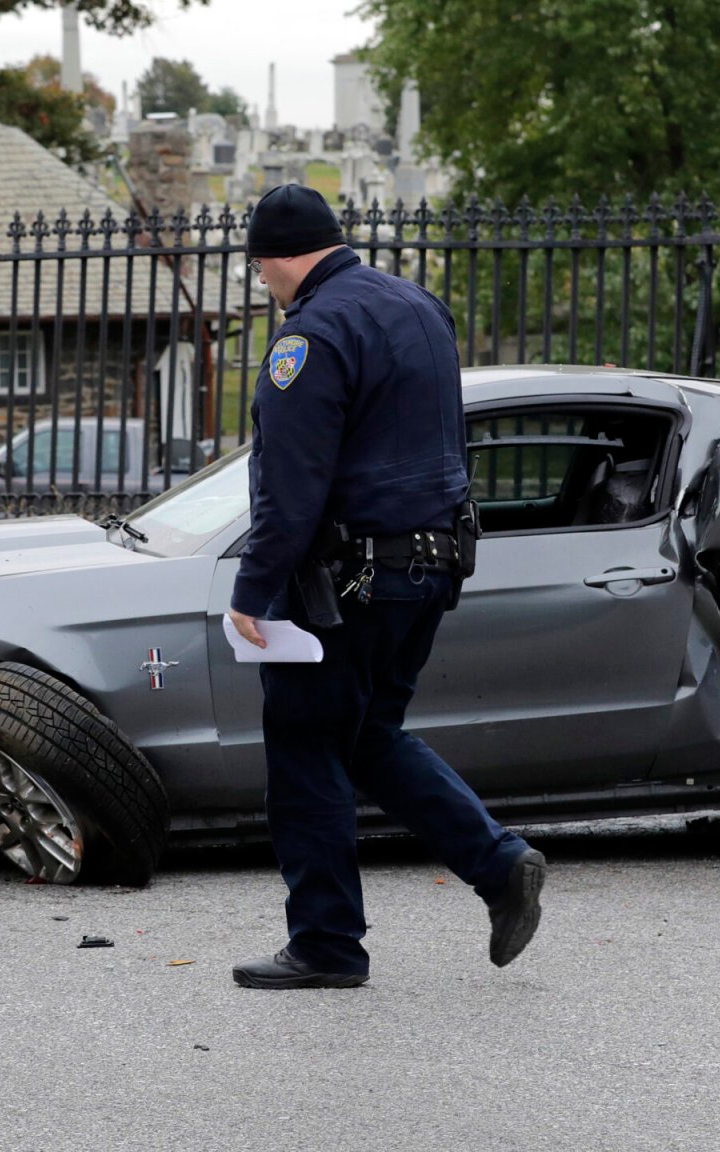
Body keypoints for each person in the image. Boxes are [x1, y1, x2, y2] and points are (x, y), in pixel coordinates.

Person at [225, 184, 545, 990]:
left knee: (304, 749)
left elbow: (294, 487)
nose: (264, 282)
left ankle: (328, 945)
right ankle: (500, 866)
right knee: (368, 737)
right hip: (429, 567)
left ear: (278, 258)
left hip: (345, 579)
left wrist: (253, 591)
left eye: (261, 268)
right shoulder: (418, 305)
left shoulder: (311, 335)